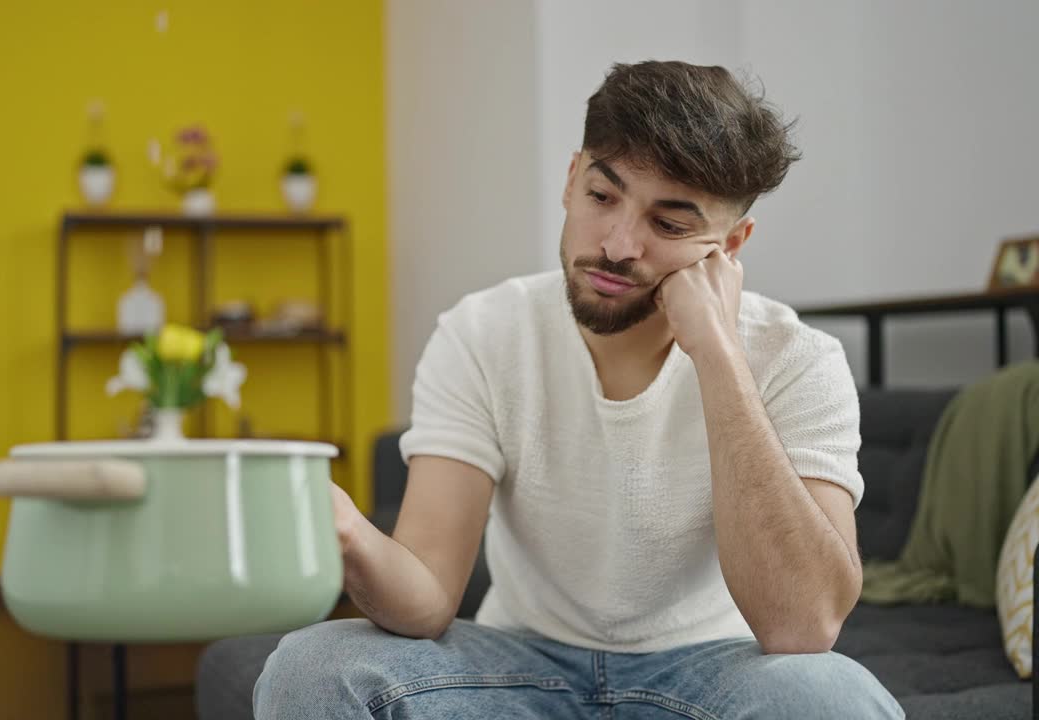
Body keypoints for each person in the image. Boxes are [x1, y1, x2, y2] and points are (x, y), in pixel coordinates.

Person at [253, 60, 904, 719]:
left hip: (713, 679)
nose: (618, 245)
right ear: (571, 180)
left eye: (670, 224)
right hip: (516, 671)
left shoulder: (798, 360)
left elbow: (804, 628)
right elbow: (427, 599)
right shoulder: (483, 332)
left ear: (730, 246)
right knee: (311, 667)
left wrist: (718, 354)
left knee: (834, 700)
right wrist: (349, 533)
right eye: (602, 197)